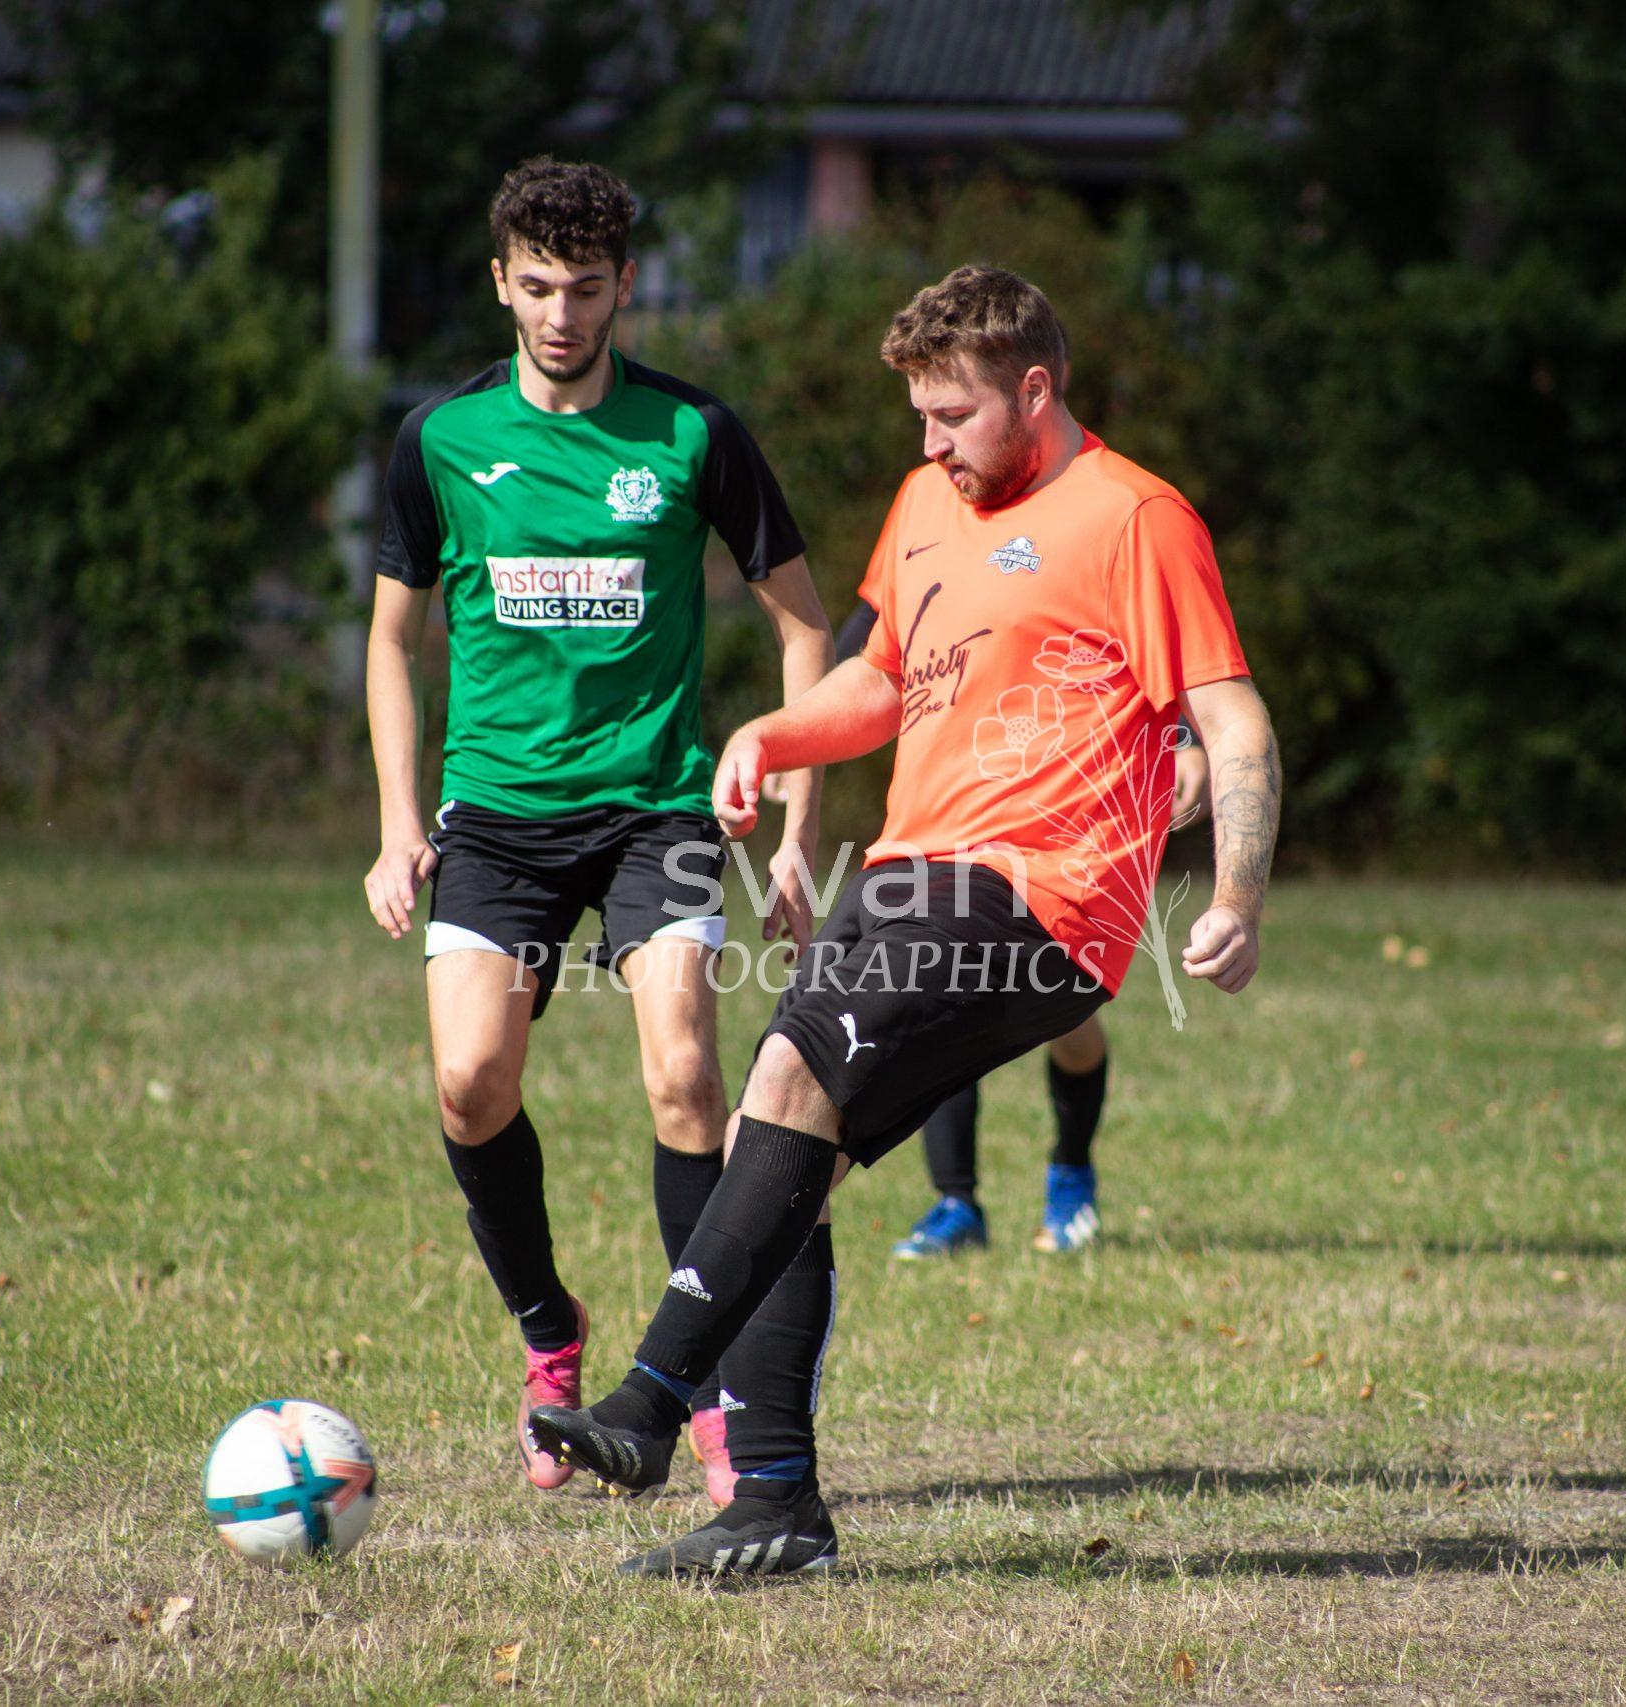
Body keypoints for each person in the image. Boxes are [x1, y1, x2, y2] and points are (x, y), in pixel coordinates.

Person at [528, 263, 1282, 1576]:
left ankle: (649, 1406)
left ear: (1032, 390)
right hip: (908, 872)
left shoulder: (1135, 517)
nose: (930, 443)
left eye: (954, 414)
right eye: (919, 416)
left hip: (1040, 894)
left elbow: (1235, 723)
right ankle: (775, 1505)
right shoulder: (928, 500)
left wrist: (1236, 896)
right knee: (783, 1153)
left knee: (785, 1074)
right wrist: (771, 732)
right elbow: (880, 677)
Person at [361, 158, 832, 1496]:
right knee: (470, 1081)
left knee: (686, 1075)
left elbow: (806, 628)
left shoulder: (694, 435)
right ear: (499, 283)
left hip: (657, 806)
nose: (560, 314)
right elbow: (391, 640)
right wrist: (398, 825)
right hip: (498, 817)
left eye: (584, 288)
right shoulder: (440, 440)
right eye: (536, 287)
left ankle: (706, 1388)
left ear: (626, 285)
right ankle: (547, 1329)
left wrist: (798, 825)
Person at [828, 600, 1211, 1261]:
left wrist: (1185, 741)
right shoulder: (928, 551)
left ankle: (1071, 1169)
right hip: (954, 818)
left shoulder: (1093, 555)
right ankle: (957, 1202)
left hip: (1068, 827)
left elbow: (1141, 654)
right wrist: (800, 734)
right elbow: (860, 653)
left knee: (1070, 1028)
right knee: (940, 1006)